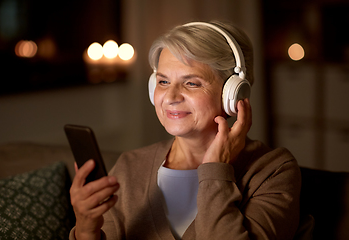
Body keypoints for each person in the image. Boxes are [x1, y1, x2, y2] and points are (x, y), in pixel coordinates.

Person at [69, 20, 301, 240]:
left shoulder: (272, 171)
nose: (170, 97)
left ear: (233, 94)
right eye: (163, 81)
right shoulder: (130, 167)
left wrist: (216, 170)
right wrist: (86, 230)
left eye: (192, 83)